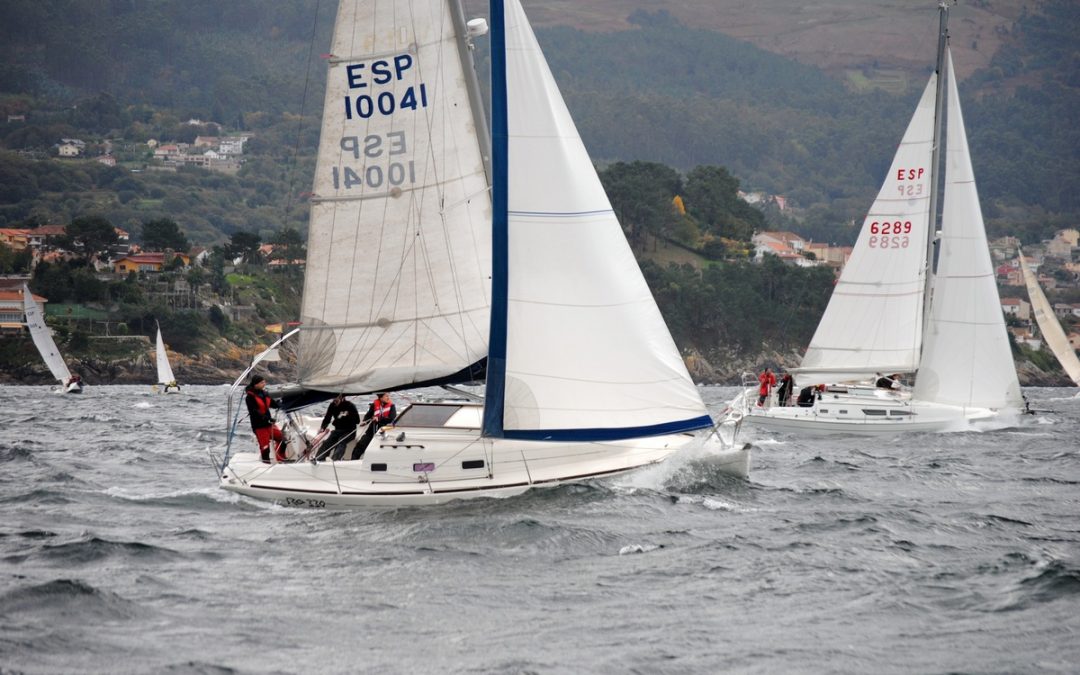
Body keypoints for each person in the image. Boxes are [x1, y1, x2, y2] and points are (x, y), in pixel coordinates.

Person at [245, 375, 288, 463]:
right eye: (262, 382)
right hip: (259, 426)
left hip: (269, 424)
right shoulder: (249, 398)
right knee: (265, 448)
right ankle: (266, 464)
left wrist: (281, 404)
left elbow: (273, 403)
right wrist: (266, 419)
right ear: (255, 384)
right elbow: (254, 411)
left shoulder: (264, 394)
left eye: (264, 382)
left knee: (283, 440)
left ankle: (281, 458)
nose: (264, 384)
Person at [351, 392, 397, 460]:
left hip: (384, 430)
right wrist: (364, 421)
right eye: (386, 396)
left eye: (388, 396)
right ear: (381, 398)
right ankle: (353, 461)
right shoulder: (374, 405)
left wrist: (379, 419)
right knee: (360, 445)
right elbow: (368, 415)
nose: (388, 398)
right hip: (372, 429)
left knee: (382, 448)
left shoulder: (392, 406)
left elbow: (391, 418)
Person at [317, 393, 360, 461]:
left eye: (336, 399)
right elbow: (327, 418)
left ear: (342, 398)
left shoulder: (350, 405)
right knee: (327, 442)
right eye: (334, 399)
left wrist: (348, 415)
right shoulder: (332, 405)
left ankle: (335, 460)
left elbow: (357, 421)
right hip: (338, 430)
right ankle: (319, 459)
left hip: (350, 431)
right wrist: (323, 427)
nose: (335, 401)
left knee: (341, 441)